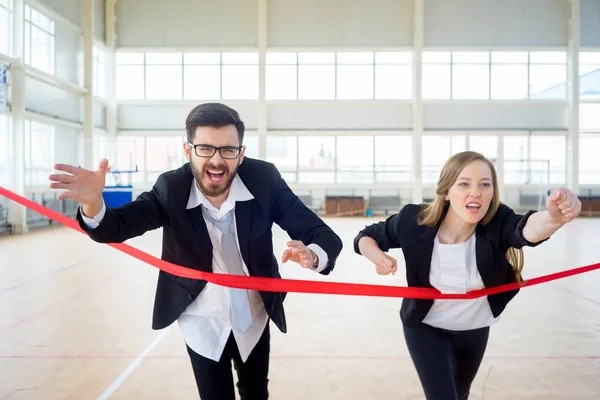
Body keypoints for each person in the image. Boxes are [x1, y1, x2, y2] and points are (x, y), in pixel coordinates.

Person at [49, 102, 343, 400]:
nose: (216, 160)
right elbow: (117, 226)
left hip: (255, 314)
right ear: (188, 150)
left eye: (228, 150)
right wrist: (92, 204)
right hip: (202, 320)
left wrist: (314, 254)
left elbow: (321, 235)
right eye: (205, 148)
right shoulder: (171, 188)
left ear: (241, 154)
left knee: (256, 393)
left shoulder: (264, 180)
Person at [353, 151, 581, 400]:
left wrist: (552, 219)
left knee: (460, 395)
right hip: (425, 326)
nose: (476, 192)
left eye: (485, 185)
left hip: (474, 328)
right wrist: (377, 256)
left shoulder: (497, 222)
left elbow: (525, 229)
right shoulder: (413, 220)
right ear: (446, 191)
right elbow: (365, 237)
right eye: (464, 184)